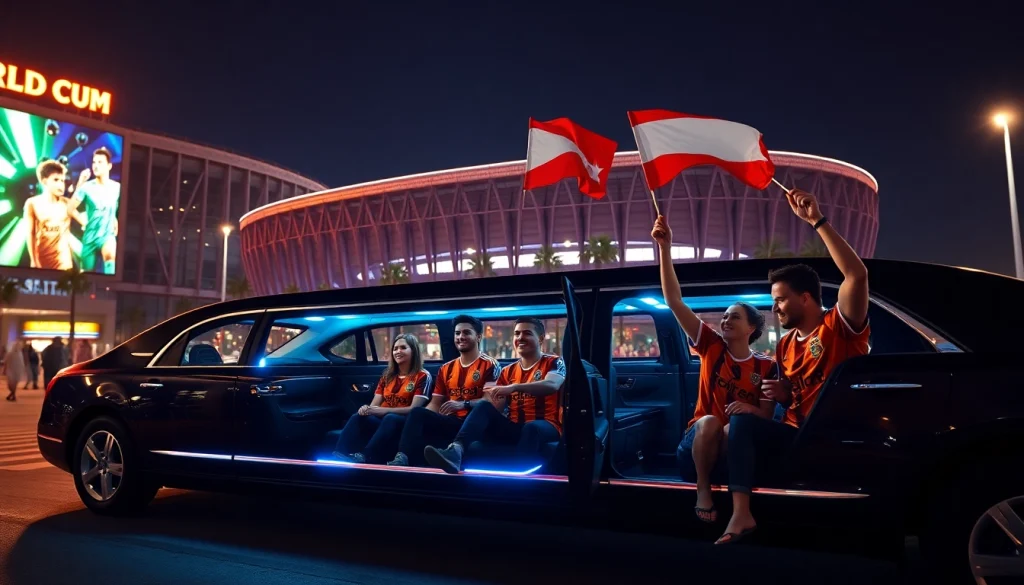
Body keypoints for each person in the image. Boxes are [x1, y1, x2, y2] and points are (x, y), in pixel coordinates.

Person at [717, 188, 870, 545]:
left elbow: (857, 275)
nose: (775, 308)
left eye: (781, 300)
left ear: (805, 298)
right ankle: (740, 513)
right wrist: (783, 394)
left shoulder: (838, 326)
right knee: (733, 426)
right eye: (774, 301)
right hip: (792, 432)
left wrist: (817, 221)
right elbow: (792, 397)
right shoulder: (784, 345)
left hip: (828, 434)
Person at [652, 215, 778, 523]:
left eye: (734, 317)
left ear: (751, 329)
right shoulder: (711, 345)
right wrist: (665, 249)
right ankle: (702, 489)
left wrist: (749, 408)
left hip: (734, 449)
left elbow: (766, 414)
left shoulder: (766, 366)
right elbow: (674, 301)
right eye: (724, 316)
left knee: (732, 428)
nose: (725, 320)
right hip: (696, 448)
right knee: (709, 422)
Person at [424, 317, 564, 474]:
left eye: (527, 333)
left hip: (547, 425)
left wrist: (514, 387)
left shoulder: (554, 362)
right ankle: (455, 450)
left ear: (541, 338)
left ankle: (520, 475)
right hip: (514, 426)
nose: (520, 338)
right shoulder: (507, 371)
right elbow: (495, 408)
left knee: (531, 428)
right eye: (517, 334)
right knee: (484, 406)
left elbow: (552, 385)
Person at [387, 315, 501, 467]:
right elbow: (435, 404)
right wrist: (415, 420)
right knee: (417, 413)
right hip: (451, 421)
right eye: (457, 333)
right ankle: (402, 459)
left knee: (481, 408)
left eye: (466, 332)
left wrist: (463, 404)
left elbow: (489, 402)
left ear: (478, 337)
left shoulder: (490, 364)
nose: (461, 337)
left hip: (474, 423)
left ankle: (454, 452)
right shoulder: (446, 368)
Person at [331, 334, 431, 463]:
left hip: (403, 422)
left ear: (413, 351)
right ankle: (338, 454)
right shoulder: (387, 375)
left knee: (390, 417)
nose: (398, 351)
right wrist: (367, 409)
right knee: (358, 416)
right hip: (383, 419)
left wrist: (384, 411)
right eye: (395, 349)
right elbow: (375, 405)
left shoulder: (422, 376)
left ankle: (365, 456)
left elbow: (414, 409)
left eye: (403, 348)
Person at [70, 147, 120, 274]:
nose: (95, 166)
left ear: (109, 166)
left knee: (110, 257)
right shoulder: (86, 187)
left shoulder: (117, 187)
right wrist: (82, 221)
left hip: (107, 234)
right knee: (86, 272)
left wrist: (114, 220)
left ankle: (110, 284)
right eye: (94, 162)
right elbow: (70, 208)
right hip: (90, 235)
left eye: (100, 162)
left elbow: (114, 207)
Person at [24, 161, 76, 270]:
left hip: (64, 263)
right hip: (42, 262)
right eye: (56, 180)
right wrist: (33, 260)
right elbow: (30, 233)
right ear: (44, 182)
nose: (61, 184)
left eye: (62, 180)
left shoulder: (68, 203)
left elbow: (85, 220)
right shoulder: (32, 203)